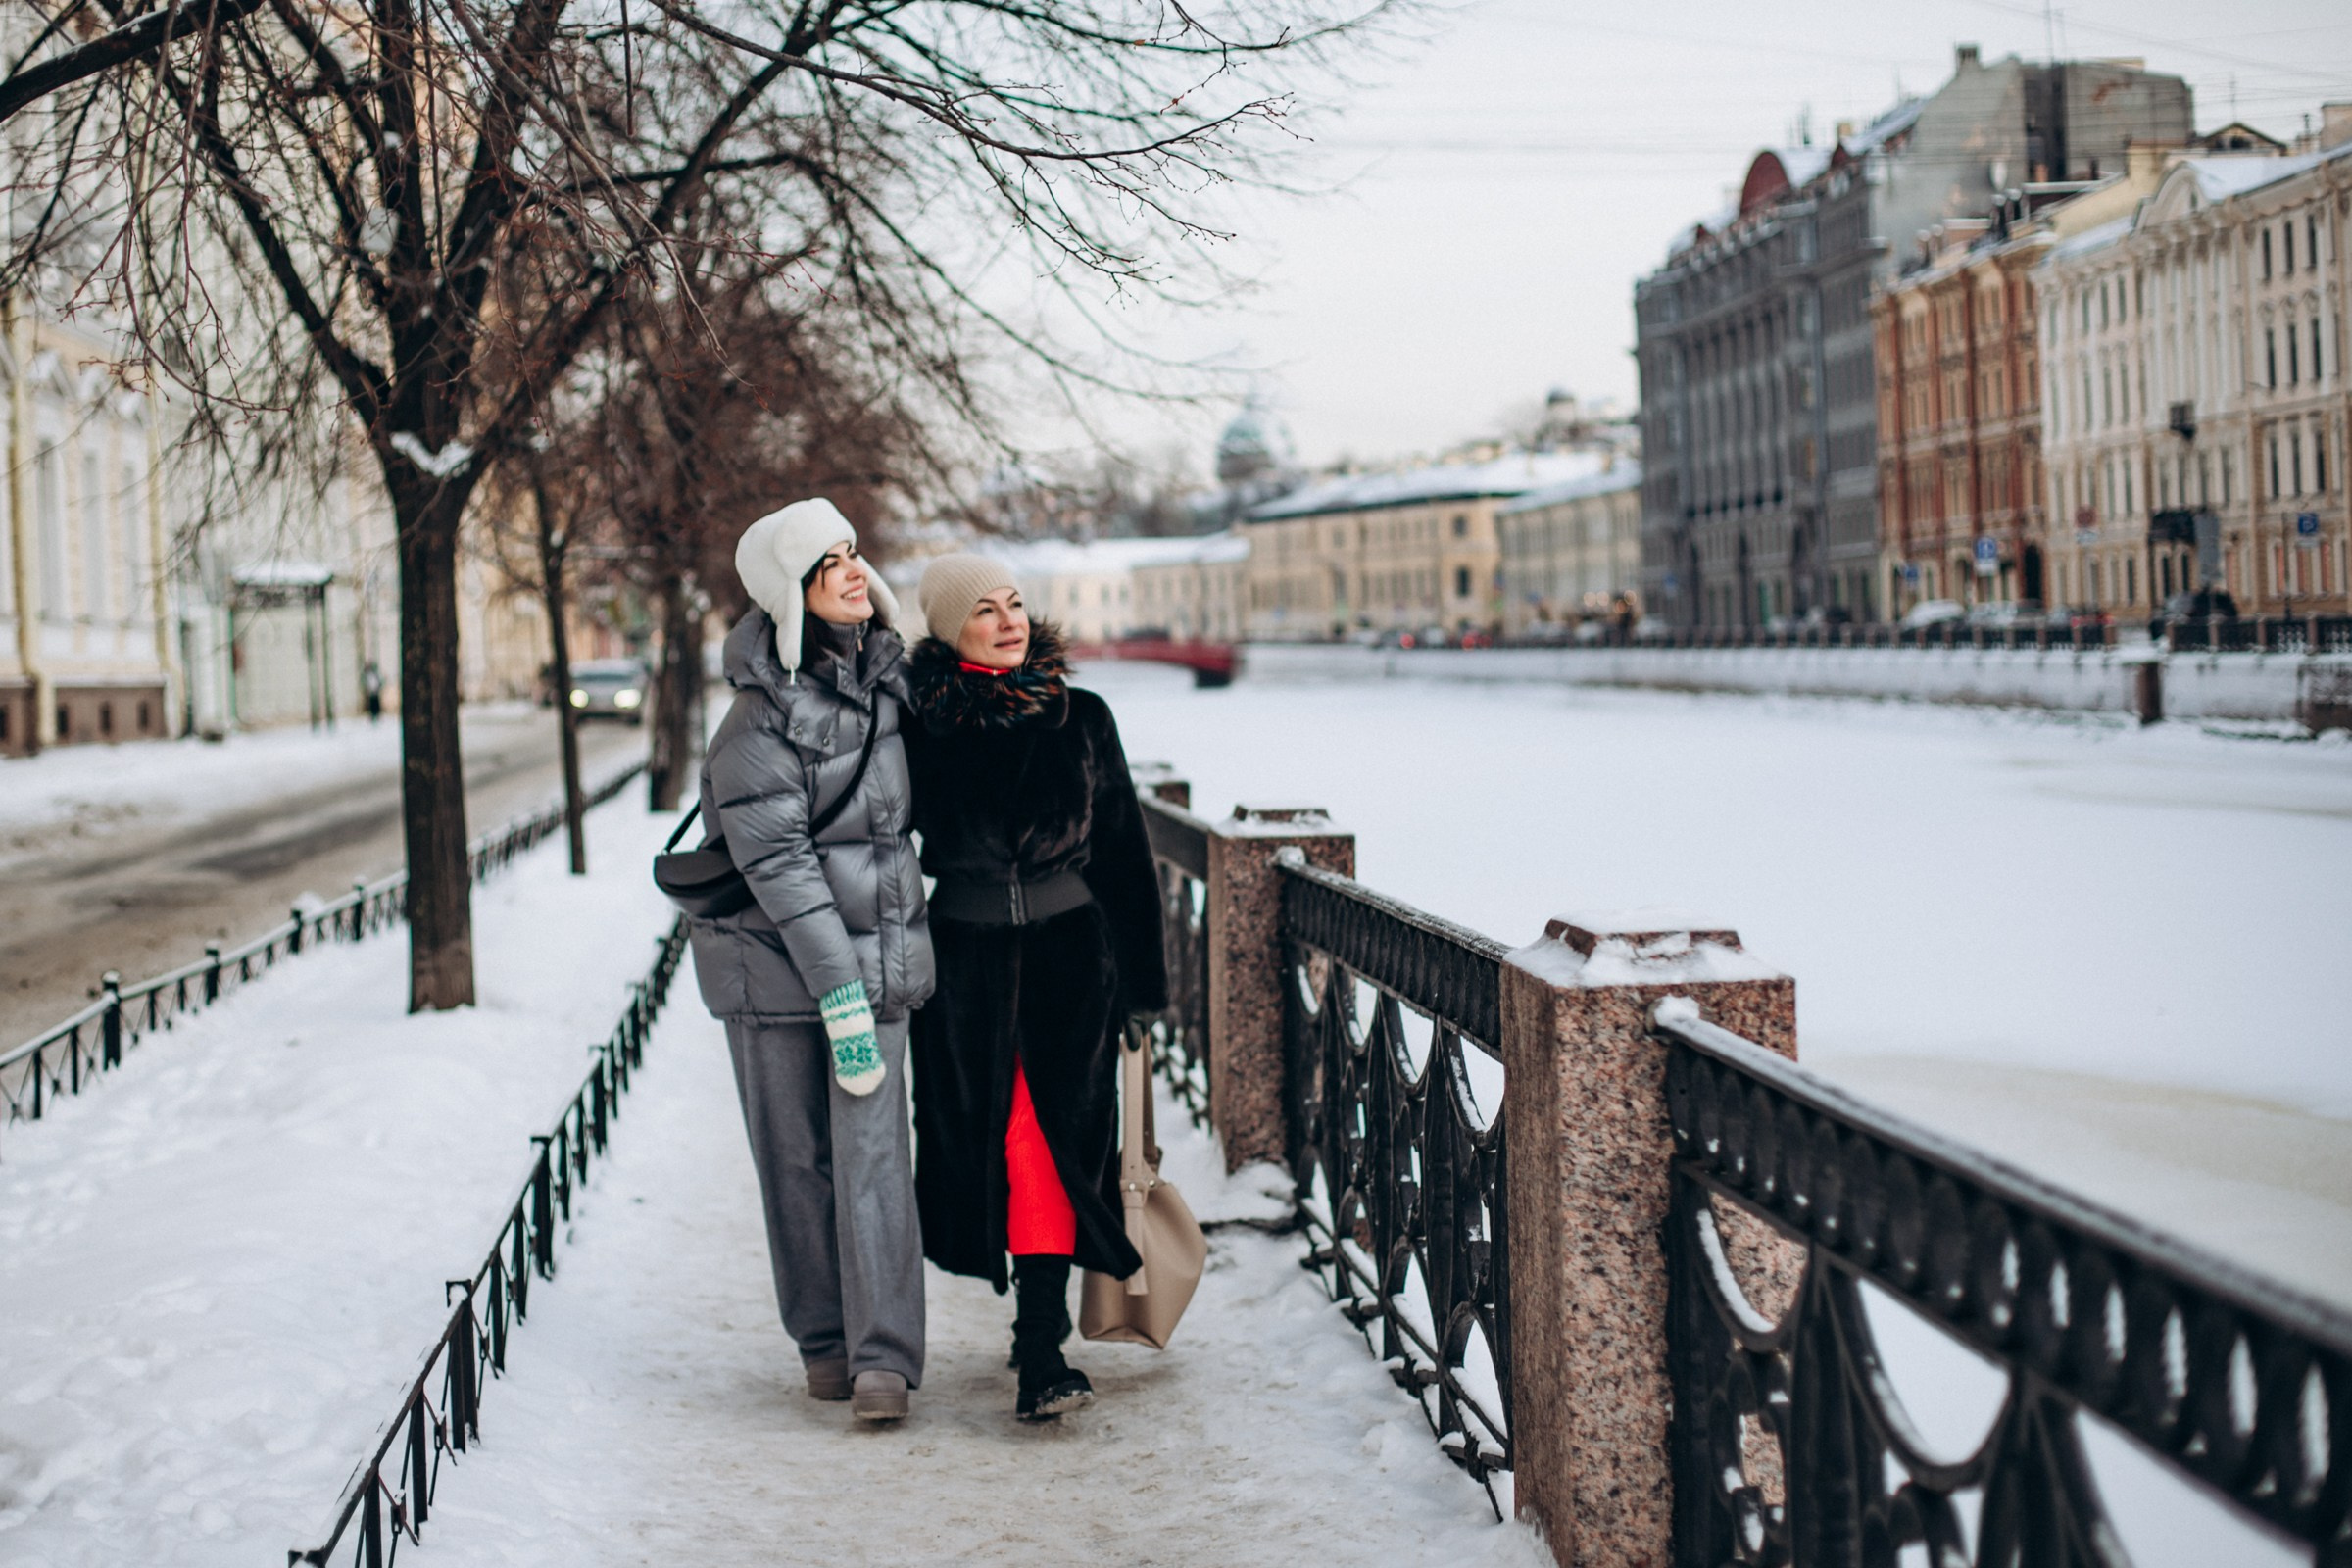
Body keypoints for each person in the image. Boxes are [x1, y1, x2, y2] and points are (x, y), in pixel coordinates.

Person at [683, 498, 933, 1422]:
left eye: (854, 553)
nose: (852, 570)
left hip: (875, 972)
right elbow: (780, 866)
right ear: (789, 592)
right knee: (797, 1166)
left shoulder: (892, 691)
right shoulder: (756, 721)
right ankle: (824, 1343)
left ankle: (883, 1362)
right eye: (826, 563)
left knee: (875, 1166)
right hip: (775, 976)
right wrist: (841, 996)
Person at [902, 553, 1166, 1421]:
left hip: (1070, 964)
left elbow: (1126, 853)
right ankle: (1034, 1339)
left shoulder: (1081, 717)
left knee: (1051, 1147)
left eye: (1016, 603)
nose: (1009, 620)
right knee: (994, 1149)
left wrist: (1143, 987)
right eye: (985, 609)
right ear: (949, 629)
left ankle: (1041, 1345)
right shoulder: (918, 728)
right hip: (966, 969)